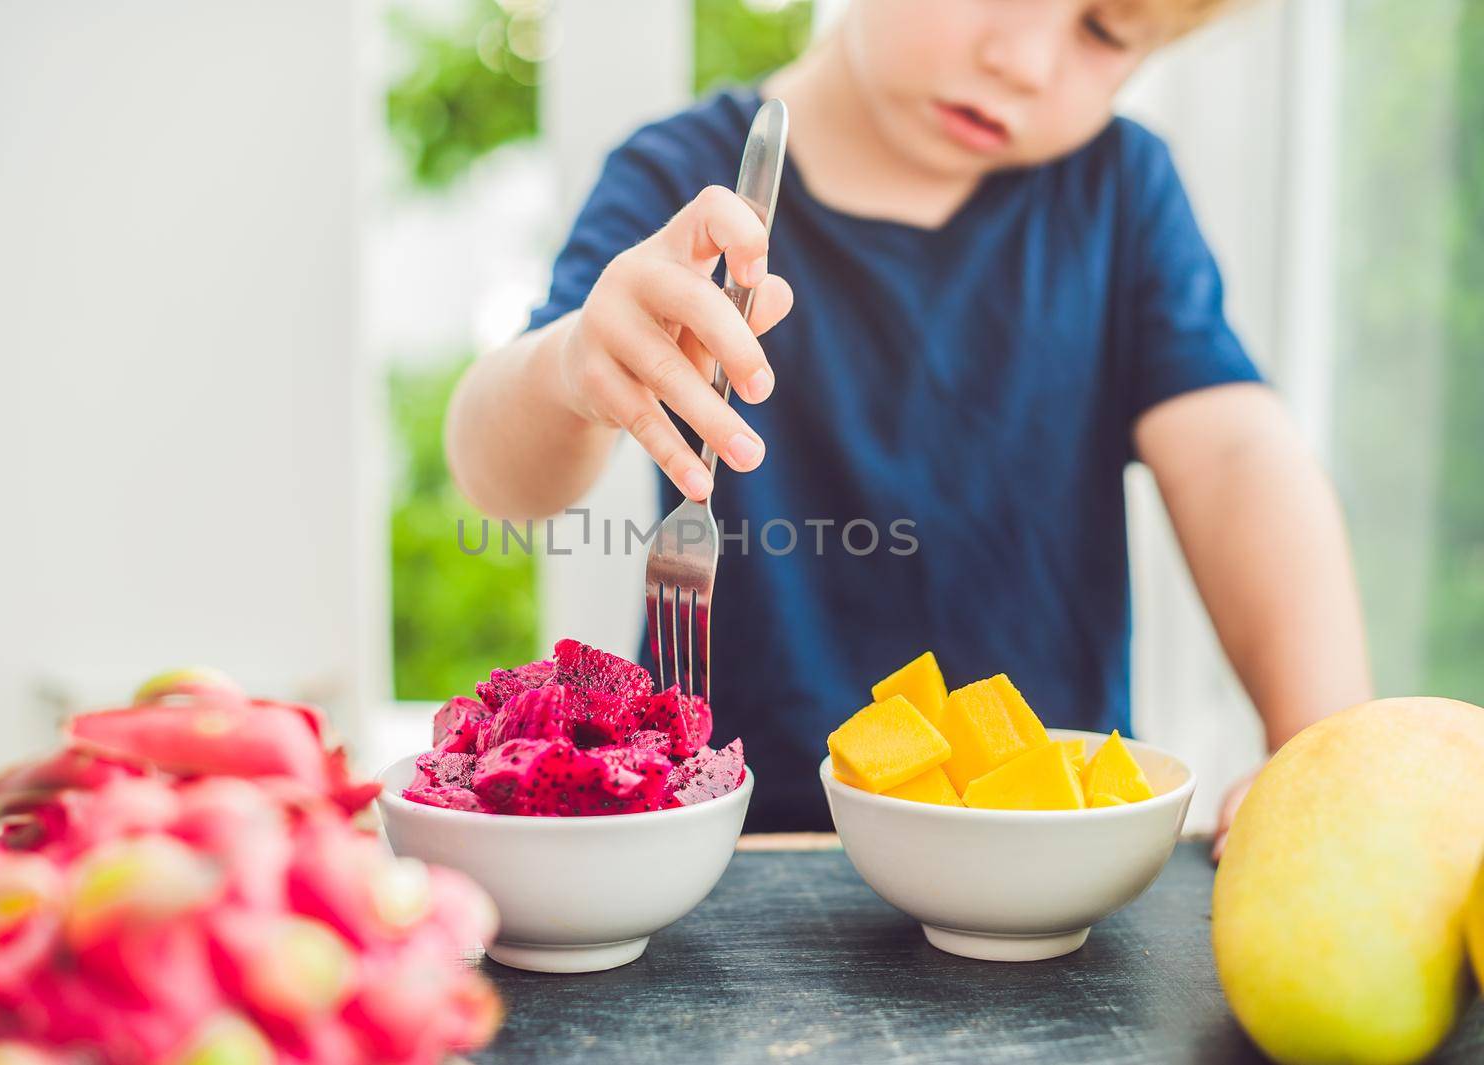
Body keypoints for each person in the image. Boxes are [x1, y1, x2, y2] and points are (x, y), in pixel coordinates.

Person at [444, 0, 1371, 848]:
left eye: (1105, 32)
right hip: (735, 855)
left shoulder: (1122, 194)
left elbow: (1236, 460)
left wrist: (1323, 746)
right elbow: (504, 479)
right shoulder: (679, 180)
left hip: (1036, 843)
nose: (1025, 60)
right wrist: (570, 366)